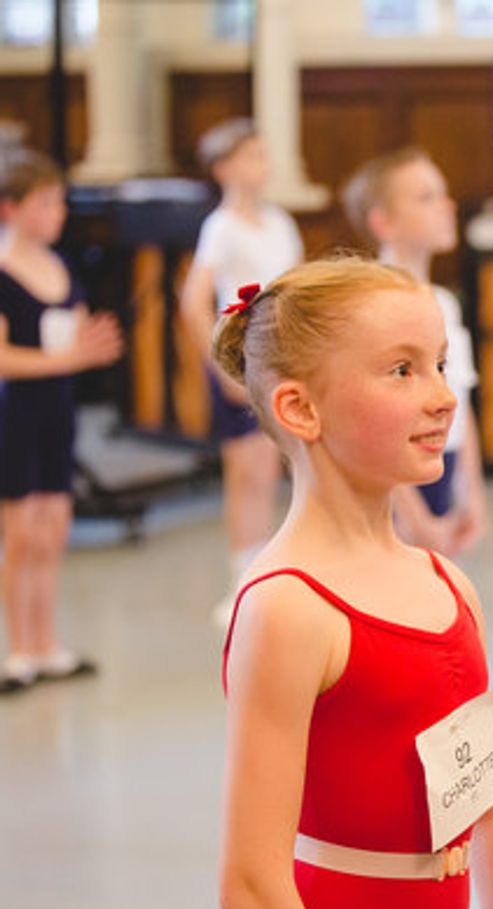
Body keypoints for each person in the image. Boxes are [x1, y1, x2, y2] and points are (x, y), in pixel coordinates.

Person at [215, 258, 493, 909]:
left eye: (442, 364)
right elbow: (250, 884)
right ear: (300, 408)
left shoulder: (448, 585)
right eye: (402, 370)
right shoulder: (288, 606)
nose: (444, 395)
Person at [0, 149, 123, 695]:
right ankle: (17, 647)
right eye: (45, 203)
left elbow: (75, 332)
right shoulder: (4, 274)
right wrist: (73, 358)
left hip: (57, 411)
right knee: (21, 533)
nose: (58, 213)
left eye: (59, 202)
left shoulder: (58, 266)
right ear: (11, 208)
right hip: (15, 413)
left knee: (53, 528)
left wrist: (88, 347)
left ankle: (46, 642)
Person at [179, 118, 304, 622]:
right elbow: (194, 299)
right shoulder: (221, 226)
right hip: (243, 356)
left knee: (274, 465)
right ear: (224, 168)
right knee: (245, 470)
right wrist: (222, 367)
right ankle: (241, 578)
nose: (262, 165)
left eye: (263, 154)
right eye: (251, 156)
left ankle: (273, 571)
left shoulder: (280, 223)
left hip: (283, 353)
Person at [342, 147, 487, 556]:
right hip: (396, 483)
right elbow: (373, 421)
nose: (447, 206)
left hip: (442, 464)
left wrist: (472, 494)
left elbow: (458, 400)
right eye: (426, 197)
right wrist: (413, 513)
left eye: (443, 194)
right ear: (383, 221)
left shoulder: (444, 300)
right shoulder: (375, 304)